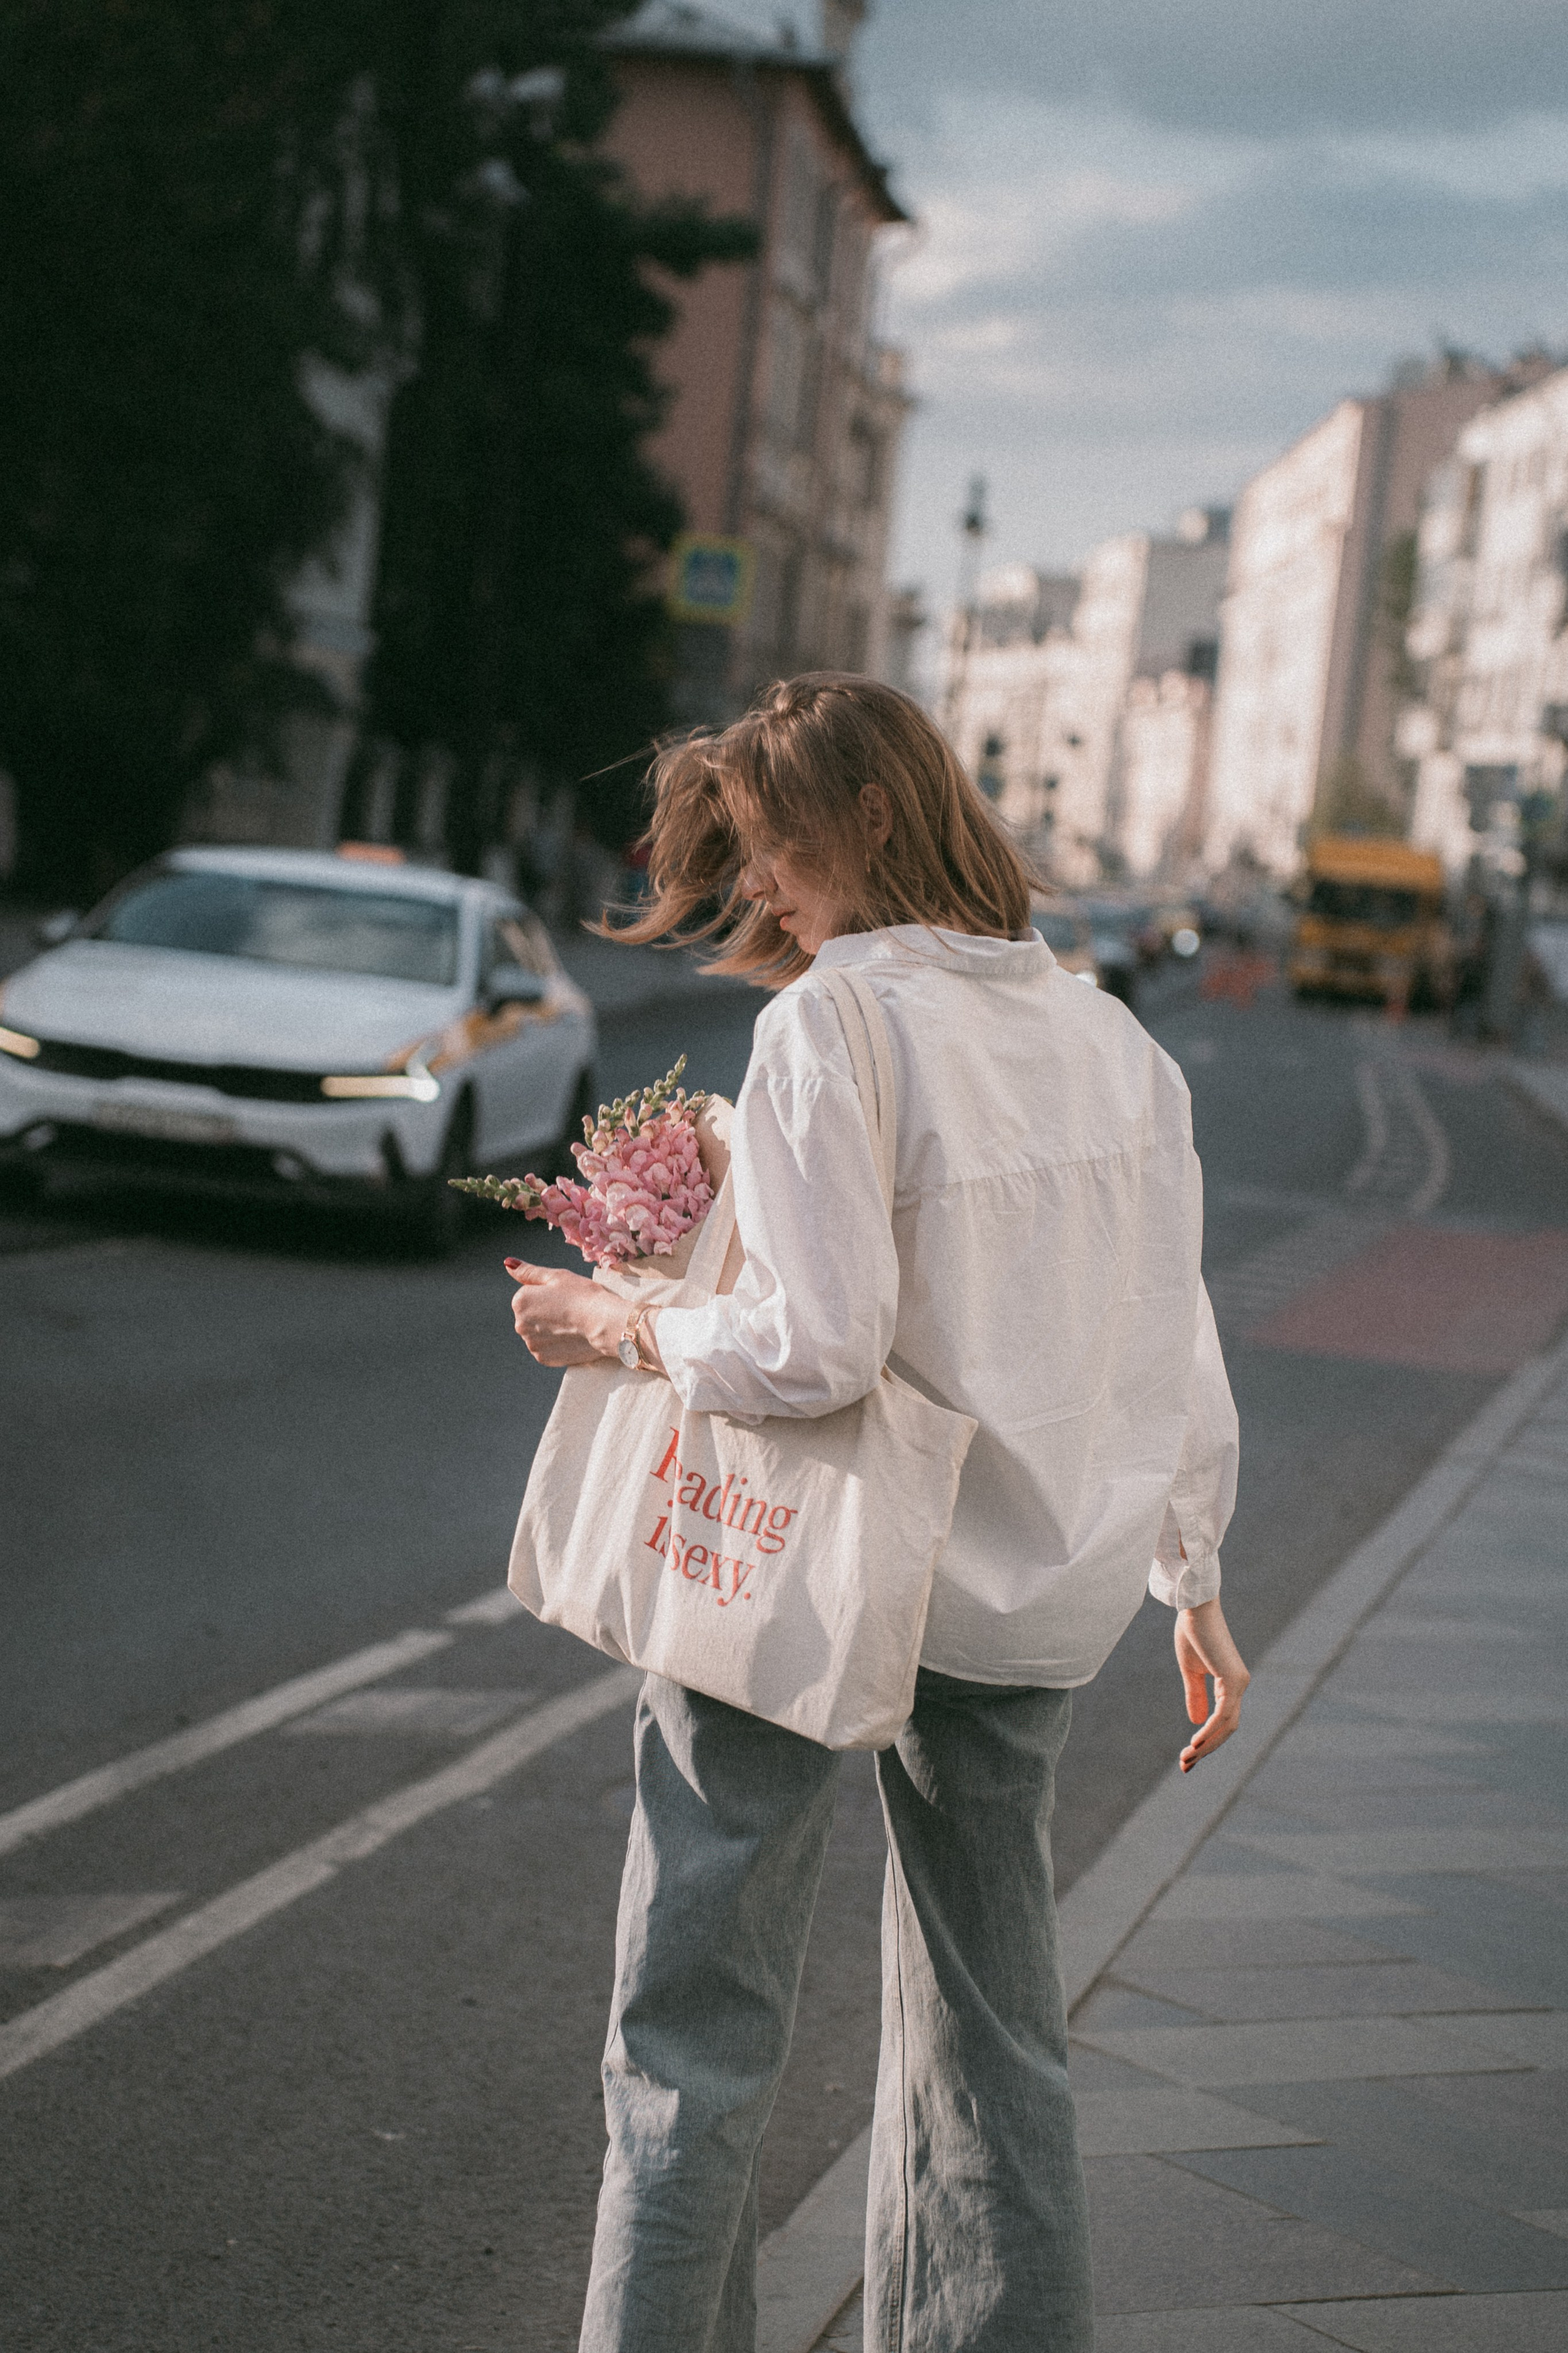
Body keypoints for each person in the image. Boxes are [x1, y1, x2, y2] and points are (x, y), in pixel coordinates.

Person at [507, 674, 1246, 2353]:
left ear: (879, 824)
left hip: (801, 1574)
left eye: (772, 849)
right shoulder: (1118, 1041)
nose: (759, 889)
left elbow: (808, 1348)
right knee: (1001, 2040)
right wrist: (1191, 1578)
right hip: (1025, 1599)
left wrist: (616, 1321)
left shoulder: (836, 1021)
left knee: (692, 2037)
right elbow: (1172, 1333)